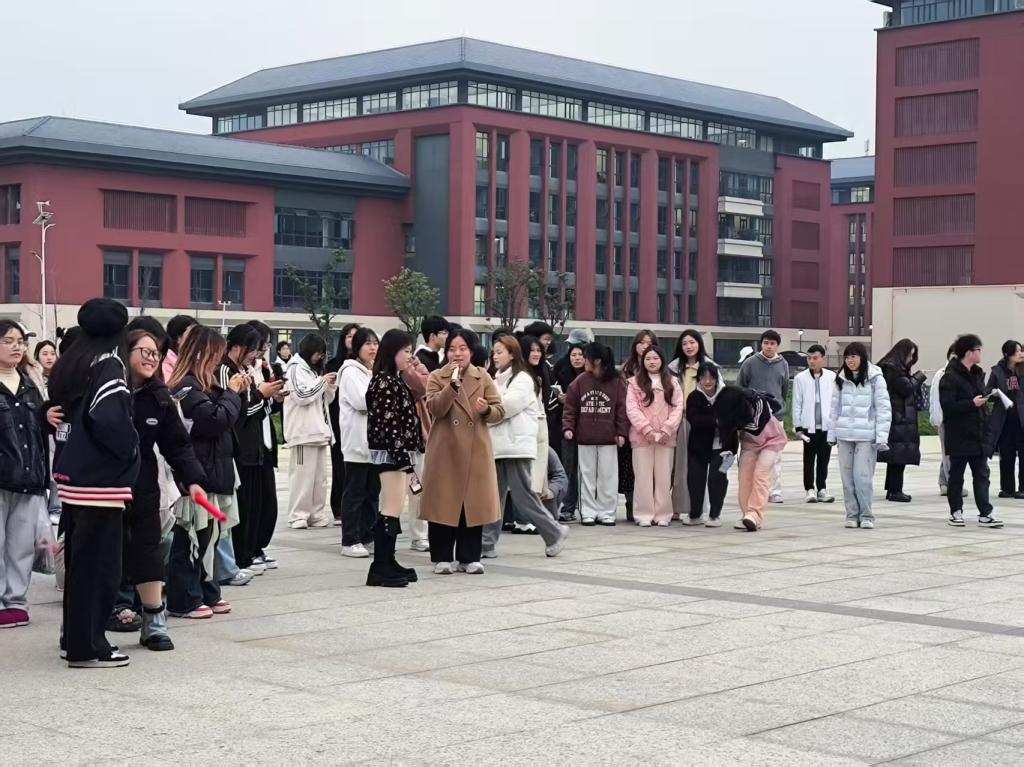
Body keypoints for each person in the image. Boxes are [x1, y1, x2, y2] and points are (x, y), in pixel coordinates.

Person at [49, 298, 140, 668]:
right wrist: (130, 451)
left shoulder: (71, 362)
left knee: (80, 566)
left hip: (73, 476)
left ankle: (74, 639)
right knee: (100, 569)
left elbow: (57, 413)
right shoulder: (109, 365)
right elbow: (110, 420)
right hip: (101, 482)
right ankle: (89, 646)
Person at [121, 328, 207, 650]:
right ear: (125, 352)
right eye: (144, 351)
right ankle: (97, 615)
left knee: (148, 548)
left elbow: (178, 444)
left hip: (143, 482)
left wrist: (192, 479)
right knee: (106, 552)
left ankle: (154, 620)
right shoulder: (105, 389)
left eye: (155, 353)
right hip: (104, 484)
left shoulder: (160, 397)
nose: (151, 358)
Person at [167, 326, 245, 620]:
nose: (218, 361)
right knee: (189, 536)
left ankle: (207, 590)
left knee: (208, 536)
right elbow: (214, 420)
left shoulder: (204, 385)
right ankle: (184, 598)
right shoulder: (186, 386)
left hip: (212, 469)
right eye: (215, 354)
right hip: (196, 473)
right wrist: (232, 394)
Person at [420, 329, 505, 574]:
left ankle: (469, 557)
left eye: (462, 348)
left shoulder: (482, 376)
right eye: (452, 349)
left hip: (475, 448)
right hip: (445, 449)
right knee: (443, 503)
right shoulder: (437, 376)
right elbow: (435, 408)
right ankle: (442, 557)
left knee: (472, 504)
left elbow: (499, 411)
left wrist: (486, 409)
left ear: (471, 351)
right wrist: (452, 387)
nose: (457, 354)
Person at [483, 335, 569, 558]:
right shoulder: (496, 379)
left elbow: (504, 408)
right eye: (494, 352)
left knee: (524, 497)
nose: (495, 356)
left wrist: (486, 410)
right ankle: (486, 544)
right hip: (498, 447)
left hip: (516, 447)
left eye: (500, 352)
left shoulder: (523, 379)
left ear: (512, 354)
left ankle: (554, 532)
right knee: (494, 497)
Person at [365, 329, 425, 586]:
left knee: (395, 507)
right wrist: (402, 457)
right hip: (391, 453)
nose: (410, 356)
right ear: (392, 352)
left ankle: (388, 561)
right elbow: (388, 424)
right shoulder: (383, 382)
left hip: (399, 452)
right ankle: (380, 566)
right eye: (406, 351)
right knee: (390, 507)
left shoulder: (395, 380)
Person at [219, 325, 279, 580]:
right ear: (237, 347)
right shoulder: (225, 370)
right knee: (242, 507)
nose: (256, 355)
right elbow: (237, 410)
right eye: (253, 349)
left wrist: (269, 398)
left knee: (256, 505)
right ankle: (241, 556)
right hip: (240, 449)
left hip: (256, 448)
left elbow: (252, 407)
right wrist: (261, 396)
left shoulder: (244, 370)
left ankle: (251, 552)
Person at [0, 320, 49, 630]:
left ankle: (16, 601)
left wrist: (46, 478)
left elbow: (42, 435)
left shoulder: (31, 386)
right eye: (8, 341)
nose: (16, 346)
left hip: (29, 476)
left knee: (21, 545)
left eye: (20, 341)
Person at [563, 343, 629, 526]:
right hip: (585, 438)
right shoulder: (579, 381)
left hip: (609, 438)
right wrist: (568, 427)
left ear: (597, 361)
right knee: (586, 476)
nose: (583, 361)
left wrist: (621, 432)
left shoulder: (616, 382)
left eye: (586, 358)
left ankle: (607, 512)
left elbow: (622, 409)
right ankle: (588, 512)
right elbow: (570, 408)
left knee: (608, 476)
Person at [941, 335, 1003, 528]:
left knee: (982, 475)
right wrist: (971, 403)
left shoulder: (977, 374)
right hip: (959, 434)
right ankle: (956, 512)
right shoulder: (949, 377)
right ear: (969, 352)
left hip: (978, 434)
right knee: (956, 476)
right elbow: (948, 406)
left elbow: (980, 399)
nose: (980, 353)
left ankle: (985, 513)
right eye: (978, 350)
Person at [829, 343, 892, 529]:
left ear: (862, 358)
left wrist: (881, 437)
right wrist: (831, 434)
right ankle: (851, 514)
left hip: (866, 436)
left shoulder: (875, 379)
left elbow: (883, 409)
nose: (850, 361)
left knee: (862, 477)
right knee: (847, 478)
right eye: (847, 357)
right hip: (844, 435)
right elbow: (834, 409)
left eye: (853, 356)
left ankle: (866, 515)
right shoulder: (840, 379)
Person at [284, 334, 338, 529]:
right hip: (302, 433)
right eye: (317, 353)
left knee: (319, 479)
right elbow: (301, 396)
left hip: (319, 432)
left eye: (322, 354)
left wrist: (329, 385)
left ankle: (316, 514)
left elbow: (325, 400)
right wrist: (322, 382)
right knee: (302, 478)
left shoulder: (314, 371)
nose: (319, 358)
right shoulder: (295, 368)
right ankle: (298, 515)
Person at [714, 386, 787, 532]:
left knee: (761, 474)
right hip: (749, 444)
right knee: (744, 477)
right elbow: (728, 434)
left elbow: (757, 427)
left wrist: (736, 423)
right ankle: (746, 515)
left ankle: (755, 514)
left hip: (771, 440)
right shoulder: (731, 414)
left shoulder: (757, 400)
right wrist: (729, 451)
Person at [626, 345, 683, 527]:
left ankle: (663, 514)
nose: (652, 362)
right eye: (648, 358)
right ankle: (643, 514)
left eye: (655, 358)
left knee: (664, 477)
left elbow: (678, 407)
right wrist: (646, 429)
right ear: (643, 361)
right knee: (642, 478)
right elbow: (632, 409)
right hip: (642, 438)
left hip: (666, 438)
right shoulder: (634, 383)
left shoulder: (672, 382)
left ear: (662, 360)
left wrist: (667, 429)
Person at [246, 320, 286, 570]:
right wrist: (263, 395)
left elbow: (265, 407)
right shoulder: (239, 370)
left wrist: (276, 398)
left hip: (265, 441)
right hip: (249, 444)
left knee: (267, 501)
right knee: (252, 502)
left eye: (267, 346)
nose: (263, 351)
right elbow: (247, 407)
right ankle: (248, 551)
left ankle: (258, 547)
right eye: (261, 346)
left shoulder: (263, 367)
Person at [338, 327, 380, 556]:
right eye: (367, 343)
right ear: (357, 347)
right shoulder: (350, 371)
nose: (372, 348)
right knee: (355, 493)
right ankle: (350, 540)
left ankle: (367, 535)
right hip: (356, 442)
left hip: (373, 443)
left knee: (372, 493)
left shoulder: (372, 371)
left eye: (375, 343)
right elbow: (362, 401)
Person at [736, 329, 789, 504]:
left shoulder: (783, 364)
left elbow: (783, 389)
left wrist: (779, 407)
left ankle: (774, 490)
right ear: (761, 344)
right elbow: (740, 387)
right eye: (766, 343)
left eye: (772, 343)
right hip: (753, 417)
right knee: (751, 453)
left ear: (777, 346)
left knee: (775, 455)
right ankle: (751, 488)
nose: (769, 346)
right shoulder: (750, 363)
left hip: (775, 416)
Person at [669, 329, 715, 522]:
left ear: (699, 344)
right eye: (685, 343)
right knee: (678, 467)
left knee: (699, 466)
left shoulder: (709, 367)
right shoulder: (673, 368)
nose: (688, 346)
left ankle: (698, 508)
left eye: (692, 342)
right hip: (678, 420)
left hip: (700, 422)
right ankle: (677, 507)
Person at [878, 338, 925, 502]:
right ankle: (895, 490)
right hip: (898, 417)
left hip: (898, 417)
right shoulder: (893, 369)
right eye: (909, 355)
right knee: (898, 455)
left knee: (896, 455)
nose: (910, 359)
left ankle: (892, 489)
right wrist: (919, 376)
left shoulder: (890, 367)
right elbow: (906, 388)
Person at [619, 330, 658, 521]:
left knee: (654, 469)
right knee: (630, 468)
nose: (644, 347)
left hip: (654, 426)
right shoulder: (627, 369)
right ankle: (631, 504)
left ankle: (652, 506)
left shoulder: (660, 369)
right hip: (630, 424)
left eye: (649, 343)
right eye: (641, 343)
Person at [792, 344, 837, 504]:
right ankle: (809, 489)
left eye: (815, 358)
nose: (811, 361)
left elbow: (835, 402)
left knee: (824, 459)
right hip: (808, 426)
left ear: (822, 359)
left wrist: (835, 424)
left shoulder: (831, 377)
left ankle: (822, 488)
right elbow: (796, 403)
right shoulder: (800, 378)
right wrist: (797, 425)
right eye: (809, 358)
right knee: (809, 459)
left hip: (826, 426)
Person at [686, 362, 729, 528]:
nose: (707, 381)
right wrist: (716, 421)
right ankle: (695, 514)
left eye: (711, 377)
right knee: (695, 480)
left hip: (721, 447)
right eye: (703, 377)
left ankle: (714, 515)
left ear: (717, 378)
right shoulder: (694, 397)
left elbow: (732, 419)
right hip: (698, 446)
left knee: (716, 479)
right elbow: (694, 419)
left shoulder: (726, 396)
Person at [326, 323, 360, 525]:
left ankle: (354, 507)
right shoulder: (333, 365)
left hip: (358, 423)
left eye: (356, 336)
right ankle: (338, 507)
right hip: (338, 420)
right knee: (339, 465)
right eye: (349, 336)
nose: (352, 340)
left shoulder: (365, 366)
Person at [553, 341, 586, 523]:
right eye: (574, 355)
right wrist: (559, 398)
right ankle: (568, 507)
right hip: (566, 427)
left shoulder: (592, 376)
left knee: (587, 469)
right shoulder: (561, 372)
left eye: (580, 355)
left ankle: (588, 507)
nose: (577, 358)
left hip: (588, 427)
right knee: (568, 468)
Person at [987, 340, 1024, 499]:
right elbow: (987, 391)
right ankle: (1007, 488)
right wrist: (994, 393)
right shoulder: (998, 371)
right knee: (1006, 455)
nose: (1021, 354)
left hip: (1021, 420)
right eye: (1018, 351)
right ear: (1008, 354)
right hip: (1004, 420)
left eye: (1021, 350)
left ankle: (1022, 489)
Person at [929, 345, 961, 497]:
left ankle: (944, 482)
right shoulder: (942, 374)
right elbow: (935, 399)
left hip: (960, 420)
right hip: (945, 420)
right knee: (949, 453)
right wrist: (936, 420)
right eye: (953, 354)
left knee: (952, 453)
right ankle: (951, 485)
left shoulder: (965, 373)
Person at [163, 315, 198, 381]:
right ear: (178, 338)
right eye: (192, 334)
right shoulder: (165, 365)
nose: (197, 338)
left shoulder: (195, 362)